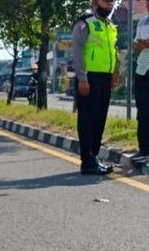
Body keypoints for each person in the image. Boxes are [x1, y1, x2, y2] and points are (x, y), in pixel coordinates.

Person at [72, 0, 119, 175]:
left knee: (99, 119)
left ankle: (94, 158)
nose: (109, 4)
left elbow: (113, 50)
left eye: (112, 2)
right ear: (95, 2)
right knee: (87, 120)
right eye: (106, 1)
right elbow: (77, 51)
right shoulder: (85, 23)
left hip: (105, 77)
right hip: (89, 77)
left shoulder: (110, 26)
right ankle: (87, 161)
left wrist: (115, 72)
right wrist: (82, 79)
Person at [132, 0, 149, 163]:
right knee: (142, 111)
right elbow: (135, 46)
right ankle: (143, 149)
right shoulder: (143, 21)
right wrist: (141, 44)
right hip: (143, 70)